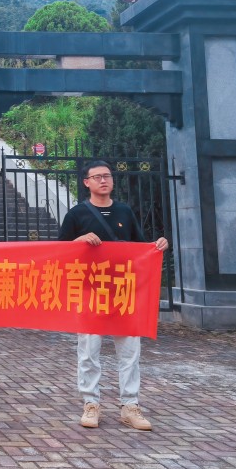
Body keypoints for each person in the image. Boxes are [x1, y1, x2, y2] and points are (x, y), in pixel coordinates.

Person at [57, 160, 168, 432]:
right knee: (89, 351)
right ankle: (90, 403)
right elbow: (60, 251)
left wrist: (157, 246)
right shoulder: (76, 215)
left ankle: (130, 406)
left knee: (130, 351)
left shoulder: (124, 211)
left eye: (106, 176)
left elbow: (140, 247)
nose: (103, 181)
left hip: (123, 291)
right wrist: (79, 241)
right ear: (86, 183)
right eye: (96, 177)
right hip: (90, 291)